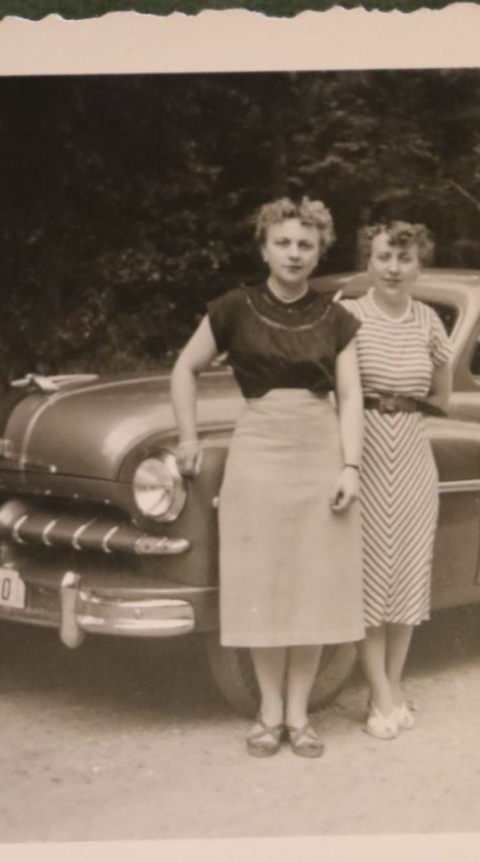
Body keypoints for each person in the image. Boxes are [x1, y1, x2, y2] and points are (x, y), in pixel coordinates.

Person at [170, 197, 364, 759]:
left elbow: (350, 396)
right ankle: (267, 713)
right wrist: (187, 438)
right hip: (257, 454)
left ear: (318, 251)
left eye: (306, 245)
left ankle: (300, 716)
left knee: (312, 588)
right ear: (264, 247)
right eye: (283, 243)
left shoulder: (337, 317)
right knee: (262, 586)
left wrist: (350, 465)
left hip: (319, 456)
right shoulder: (234, 308)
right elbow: (184, 368)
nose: (295, 254)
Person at [341, 222, 452, 739]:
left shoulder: (428, 320)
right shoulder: (348, 314)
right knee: (368, 574)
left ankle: (393, 683)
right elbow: (333, 393)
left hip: (410, 450)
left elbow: (442, 395)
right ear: (368, 261)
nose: (392, 268)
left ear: (418, 266)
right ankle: (380, 694)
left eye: (404, 259)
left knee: (406, 571)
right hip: (361, 447)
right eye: (384, 256)